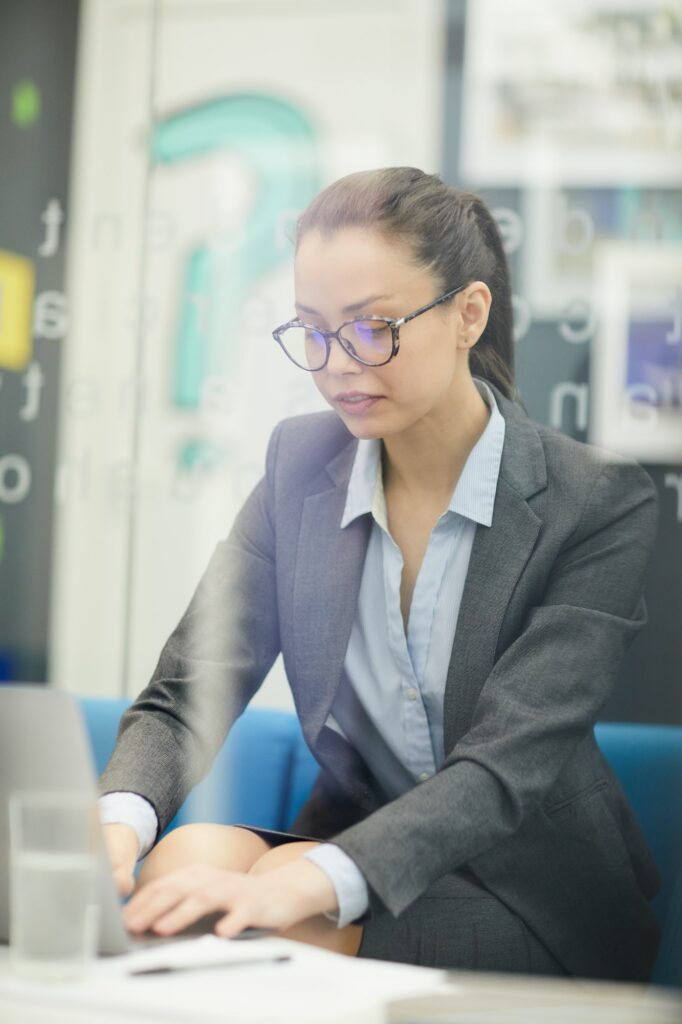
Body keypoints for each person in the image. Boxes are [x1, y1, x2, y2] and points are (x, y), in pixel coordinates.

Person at [98, 167, 661, 980]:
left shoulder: (594, 503)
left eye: (371, 329)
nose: (337, 367)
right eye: (312, 332)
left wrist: (313, 880)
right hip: (352, 842)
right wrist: (118, 820)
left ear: (469, 313)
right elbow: (191, 691)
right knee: (181, 865)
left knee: (259, 923)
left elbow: (503, 769)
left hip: (527, 889)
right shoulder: (300, 466)